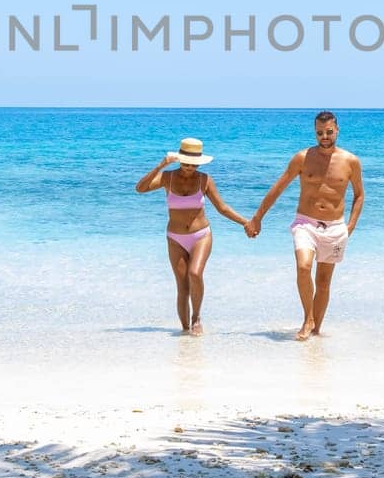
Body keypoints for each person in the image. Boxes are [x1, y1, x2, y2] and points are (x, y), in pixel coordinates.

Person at [246, 111, 364, 340]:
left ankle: (316, 332)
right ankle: (307, 318)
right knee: (303, 267)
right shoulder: (302, 158)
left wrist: (351, 226)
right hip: (305, 223)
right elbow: (278, 188)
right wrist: (257, 217)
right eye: (320, 133)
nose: (325, 137)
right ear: (315, 132)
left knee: (323, 281)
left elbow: (359, 195)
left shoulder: (351, 161)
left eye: (329, 132)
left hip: (335, 227)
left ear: (337, 130)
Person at [136, 137, 250, 334]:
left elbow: (222, 208)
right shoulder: (168, 178)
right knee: (182, 286)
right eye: (187, 163)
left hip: (201, 236)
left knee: (195, 274)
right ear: (180, 159)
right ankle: (185, 331)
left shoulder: (204, 179)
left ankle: (196, 317)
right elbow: (140, 188)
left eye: (194, 164)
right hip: (175, 237)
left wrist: (246, 223)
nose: (190, 167)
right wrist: (161, 166)